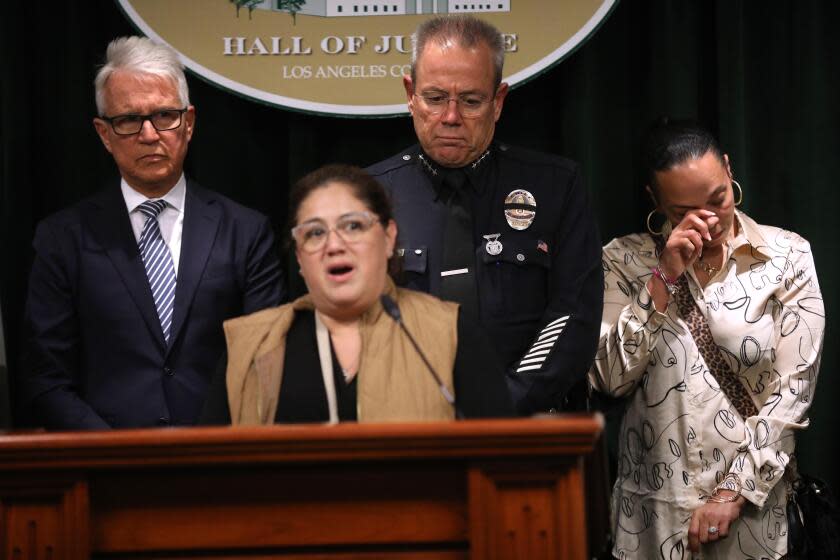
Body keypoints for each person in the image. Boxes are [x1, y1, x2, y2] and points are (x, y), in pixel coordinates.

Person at [19, 36, 284, 430]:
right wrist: (115, 457)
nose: (149, 134)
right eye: (128, 120)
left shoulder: (245, 231)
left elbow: (268, 363)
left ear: (188, 123)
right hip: (106, 472)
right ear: (104, 134)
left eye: (164, 116)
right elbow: (45, 377)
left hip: (222, 464)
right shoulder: (63, 238)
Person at [588, 120, 824, 559]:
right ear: (655, 202)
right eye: (684, 212)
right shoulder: (621, 261)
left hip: (753, 518)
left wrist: (732, 494)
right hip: (651, 519)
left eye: (718, 198)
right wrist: (664, 276)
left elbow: (794, 390)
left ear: (729, 169)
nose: (710, 221)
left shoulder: (787, 255)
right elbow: (610, 379)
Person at [367, 15, 602, 415]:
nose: (451, 117)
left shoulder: (554, 186)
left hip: (528, 430)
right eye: (435, 98)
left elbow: (572, 316)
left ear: (499, 102)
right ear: (410, 94)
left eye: (471, 101)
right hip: (408, 433)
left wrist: (501, 405)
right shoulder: (369, 196)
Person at [200, 164, 514, 424]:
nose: (334, 245)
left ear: (389, 237)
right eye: (314, 233)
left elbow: (501, 466)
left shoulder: (451, 334)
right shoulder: (250, 345)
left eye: (352, 226)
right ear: (299, 257)